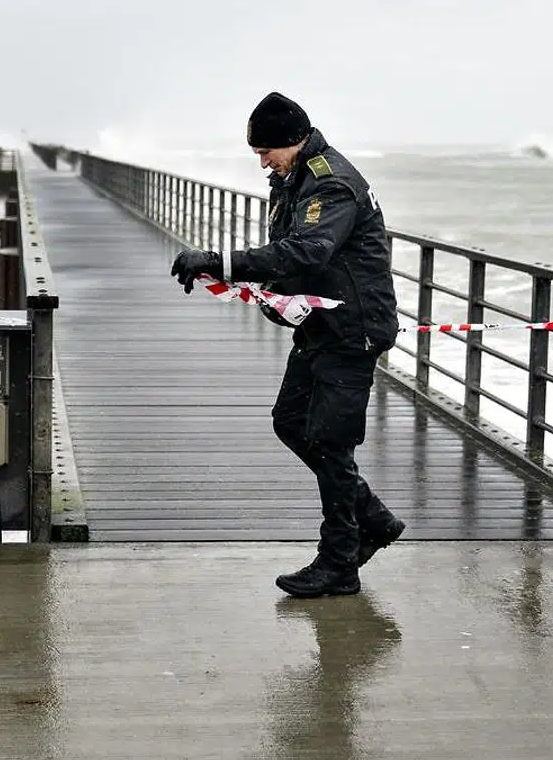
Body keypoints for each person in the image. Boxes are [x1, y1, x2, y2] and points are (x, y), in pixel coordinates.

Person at [169, 92, 405, 598]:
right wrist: (269, 294)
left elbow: (311, 247)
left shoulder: (330, 182)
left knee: (329, 440)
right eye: (257, 153)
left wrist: (221, 260)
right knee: (291, 422)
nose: (262, 162)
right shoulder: (292, 177)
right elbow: (300, 258)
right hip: (321, 321)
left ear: (294, 141)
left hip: (352, 328)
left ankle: (340, 561)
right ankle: (374, 519)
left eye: (267, 151)